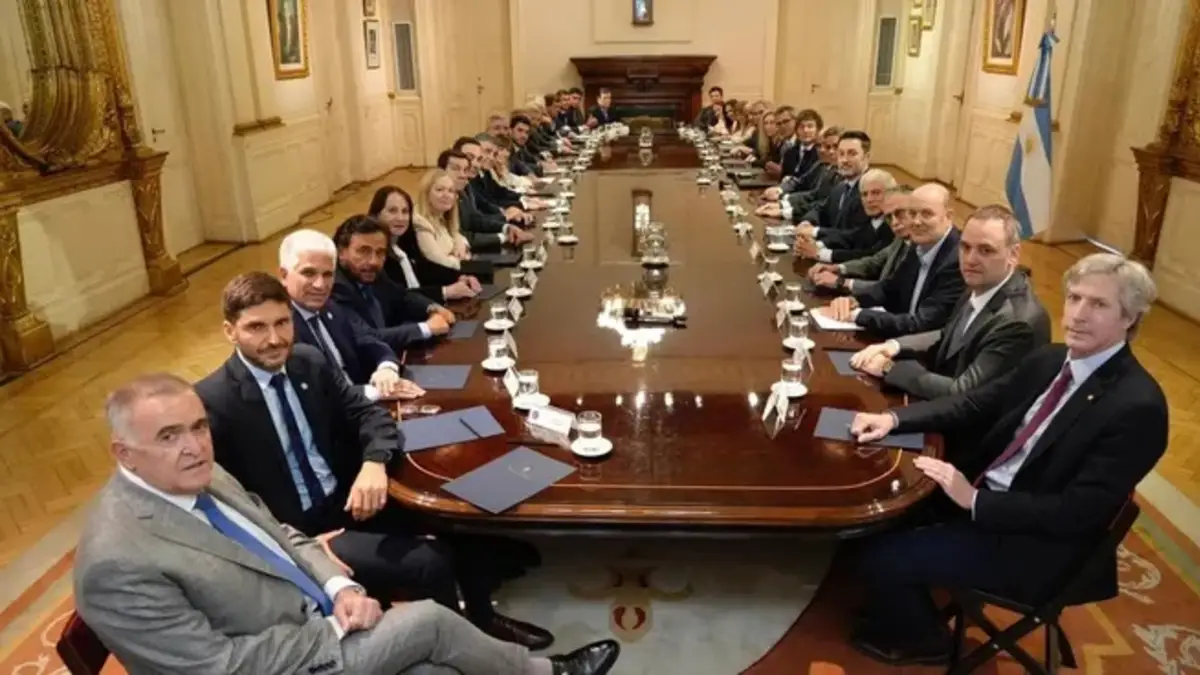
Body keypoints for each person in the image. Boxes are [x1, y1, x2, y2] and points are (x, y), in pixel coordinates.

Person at [76, 372, 622, 674]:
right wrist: (334, 628)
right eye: (168, 436)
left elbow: (282, 537)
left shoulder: (204, 474)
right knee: (430, 623)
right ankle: (549, 674)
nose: (195, 447)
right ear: (124, 454)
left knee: (439, 670)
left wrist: (340, 586)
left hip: (315, 615)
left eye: (198, 427)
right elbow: (217, 669)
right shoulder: (116, 561)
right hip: (278, 661)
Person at [197, 272, 558, 650]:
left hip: (347, 498)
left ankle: (483, 620)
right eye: (257, 327)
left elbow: (368, 414)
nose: (274, 339)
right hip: (301, 533)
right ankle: (465, 652)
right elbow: (225, 505)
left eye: (282, 323)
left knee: (453, 512)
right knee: (428, 561)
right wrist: (297, 547)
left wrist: (373, 462)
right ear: (230, 331)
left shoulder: (307, 362)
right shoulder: (212, 402)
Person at [846, 253, 1167, 666]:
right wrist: (894, 419)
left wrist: (975, 501)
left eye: (1099, 304)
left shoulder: (1137, 406)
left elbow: (1078, 512)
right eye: (1074, 298)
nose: (1078, 314)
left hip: (1038, 543)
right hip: (990, 492)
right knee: (870, 518)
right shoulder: (1051, 359)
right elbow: (975, 402)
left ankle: (927, 641)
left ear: (1130, 318)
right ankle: (900, 597)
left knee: (879, 556)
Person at [849, 204, 1051, 400]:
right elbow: (948, 335)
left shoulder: (1017, 322)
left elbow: (963, 392)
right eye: (965, 247)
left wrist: (889, 368)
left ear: (1013, 254)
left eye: (986, 250)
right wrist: (894, 346)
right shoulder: (982, 284)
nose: (970, 259)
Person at [278, 228, 426, 401]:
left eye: (327, 275)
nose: (320, 285)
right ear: (284, 275)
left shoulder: (331, 307)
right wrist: (375, 392)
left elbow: (368, 340)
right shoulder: (279, 326)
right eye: (308, 273)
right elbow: (316, 394)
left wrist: (386, 368)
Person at [816, 183, 965, 338]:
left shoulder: (957, 259)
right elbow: (890, 288)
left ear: (949, 216)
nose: (916, 222)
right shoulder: (920, 243)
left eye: (926, 214)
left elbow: (922, 324)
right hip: (901, 337)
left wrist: (857, 315)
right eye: (912, 213)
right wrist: (854, 301)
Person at [331, 215, 456, 352]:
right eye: (364, 251)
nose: (373, 261)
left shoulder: (373, 273)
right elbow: (367, 338)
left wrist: (432, 308)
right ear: (341, 252)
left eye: (380, 252)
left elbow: (402, 297)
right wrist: (426, 328)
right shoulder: (335, 288)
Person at [369, 184, 484, 300]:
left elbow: (425, 269)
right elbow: (396, 296)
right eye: (392, 211)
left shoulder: (404, 242)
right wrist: (445, 291)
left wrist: (459, 277)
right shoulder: (376, 253)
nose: (400, 218)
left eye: (405, 212)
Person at [808, 184, 913, 295]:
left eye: (900, 213)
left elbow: (892, 289)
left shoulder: (920, 250)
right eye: (889, 217)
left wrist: (841, 282)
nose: (894, 222)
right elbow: (873, 263)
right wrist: (837, 268)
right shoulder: (900, 240)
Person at [411, 169, 473, 270]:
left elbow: (461, 239)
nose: (446, 195)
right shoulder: (420, 222)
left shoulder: (442, 218)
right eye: (439, 190)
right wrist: (463, 261)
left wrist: (460, 244)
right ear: (426, 193)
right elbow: (438, 260)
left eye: (451, 191)